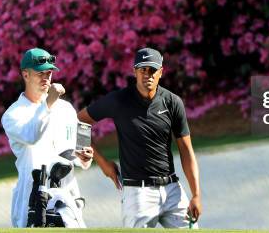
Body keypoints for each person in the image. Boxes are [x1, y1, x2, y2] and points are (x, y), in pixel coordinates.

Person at [77, 47, 202, 229]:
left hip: (172, 190)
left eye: (152, 70)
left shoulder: (173, 102)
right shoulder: (118, 100)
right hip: (137, 193)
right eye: (142, 69)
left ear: (161, 72)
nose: (147, 75)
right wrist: (102, 163)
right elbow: (79, 121)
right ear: (134, 71)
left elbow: (186, 151)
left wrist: (196, 194)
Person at [1, 47, 94, 228]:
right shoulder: (13, 114)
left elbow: (73, 151)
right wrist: (48, 103)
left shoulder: (66, 109)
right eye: (40, 73)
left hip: (67, 194)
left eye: (49, 73)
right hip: (32, 195)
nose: (46, 78)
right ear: (25, 75)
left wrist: (84, 157)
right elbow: (31, 136)